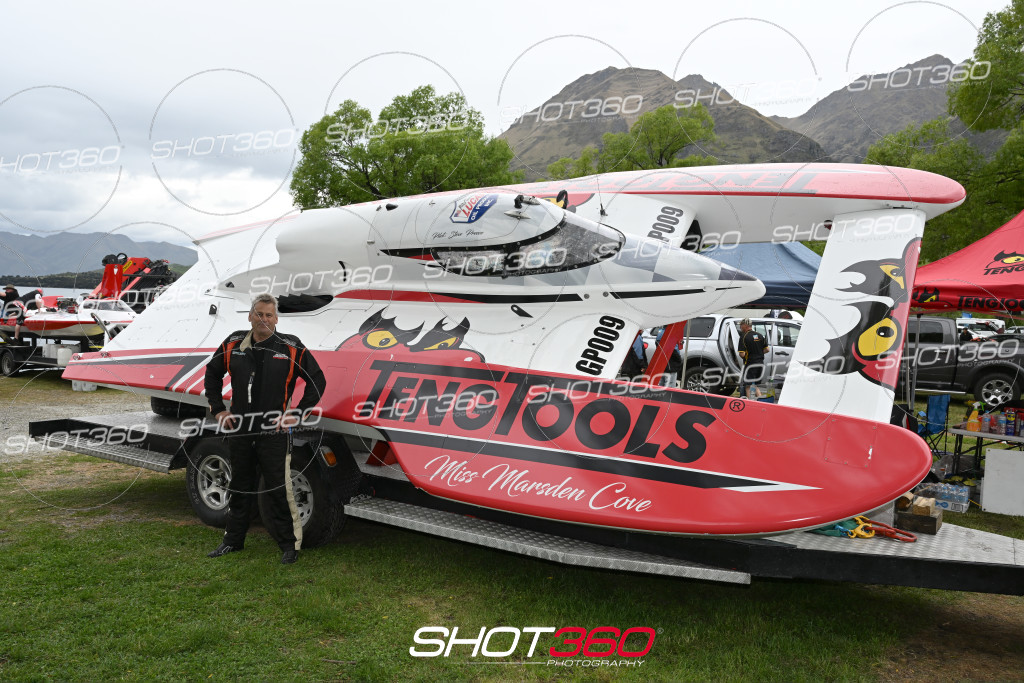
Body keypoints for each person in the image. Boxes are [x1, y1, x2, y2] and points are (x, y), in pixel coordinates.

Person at [204, 293, 326, 564]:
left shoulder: (290, 347)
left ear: (276, 319)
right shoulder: (233, 343)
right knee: (239, 486)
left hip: (274, 433)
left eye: (269, 315)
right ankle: (233, 541)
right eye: (259, 314)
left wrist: (297, 414)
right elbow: (212, 374)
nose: (264, 319)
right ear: (250, 316)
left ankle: (289, 545)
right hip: (241, 430)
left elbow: (317, 380)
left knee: (278, 489)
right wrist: (218, 409)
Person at [737, 318, 768, 400]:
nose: (740, 327)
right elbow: (767, 349)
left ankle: (749, 403)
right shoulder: (760, 335)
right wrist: (758, 353)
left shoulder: (744, 337)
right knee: (754, 385)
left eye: (741, 325)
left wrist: (749, 355)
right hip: (760, 363)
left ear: (745, 325)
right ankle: (760, 400)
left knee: (748, 385)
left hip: (750, 364)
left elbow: (742, 354)